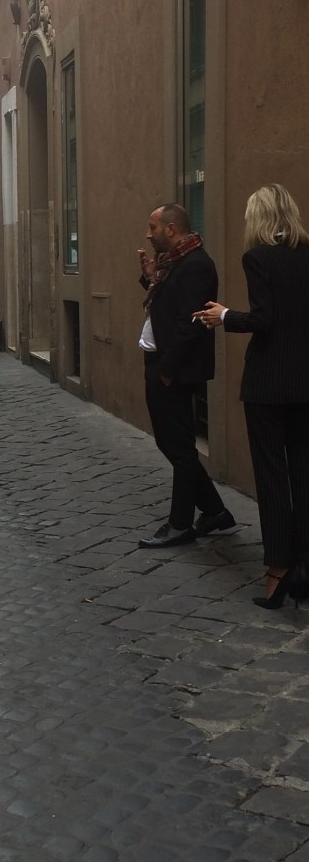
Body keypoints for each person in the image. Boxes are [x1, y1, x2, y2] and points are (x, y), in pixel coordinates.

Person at [193, 184, 309, 608]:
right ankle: (305, 566)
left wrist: (224, 315)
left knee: (272, 476)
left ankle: (278, 570)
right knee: (303, 473)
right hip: (304, 382)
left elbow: (264, 319)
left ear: (258, 217)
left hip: (268, 384)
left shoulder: (257, 257)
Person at [137, 203, 235, 547]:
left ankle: (179, 525)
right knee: (170, 443)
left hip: (174, 370)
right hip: (162, 365)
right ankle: (215, 511)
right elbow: (168, 305)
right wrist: (151, 277)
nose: (148, 235)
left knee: (180, 449)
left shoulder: (196, 265)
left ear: (171, 229)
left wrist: (167, 370)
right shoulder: (173, 263)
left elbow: (189, 323)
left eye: (153, 227)